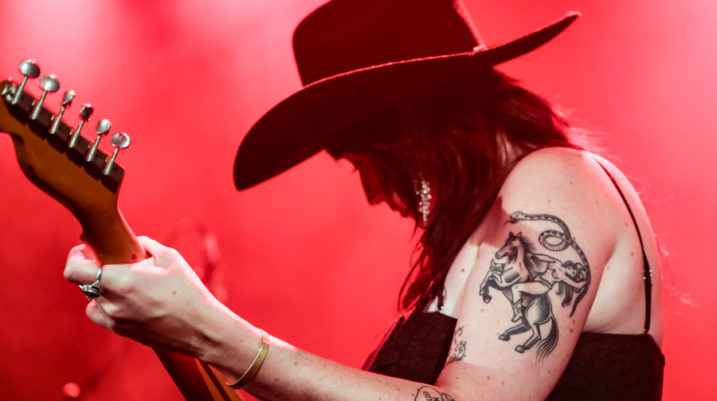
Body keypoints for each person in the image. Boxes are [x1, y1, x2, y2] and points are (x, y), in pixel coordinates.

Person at [64, 0, 665, 400]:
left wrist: (210, 330)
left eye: (362, 164)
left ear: (410, 128)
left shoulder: (557, 180)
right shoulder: (488, 228)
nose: (374, 193)